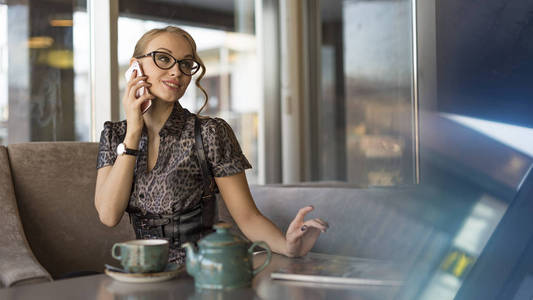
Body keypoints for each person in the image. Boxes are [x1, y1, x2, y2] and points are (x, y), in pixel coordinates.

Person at [94, 26, 328, 265]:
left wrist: (288, 247)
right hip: (142, 274)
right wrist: (133, 134)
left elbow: (247, 217)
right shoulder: (115, 134)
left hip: (200, 274)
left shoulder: (210, 132)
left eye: (186, 64)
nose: (177, 71)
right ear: (136, 66)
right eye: (163, 58)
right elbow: (109, 215)